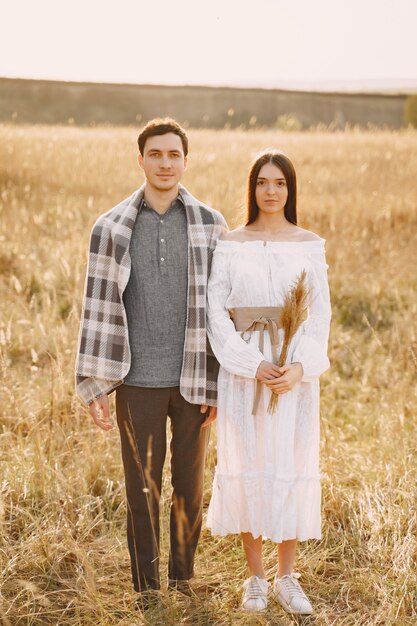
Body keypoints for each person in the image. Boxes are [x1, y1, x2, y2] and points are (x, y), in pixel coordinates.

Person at [75, 118, 228, 604]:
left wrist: (223, 384)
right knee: (143, 488)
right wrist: (94, 382)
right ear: (140, 160)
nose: (165, 163)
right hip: (136, 379)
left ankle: (182, 579)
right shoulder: (111, 227)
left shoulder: (211, 224)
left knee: (189, 485)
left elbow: (224, 310)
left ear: (186, 160)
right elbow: (95, 305)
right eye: (156, 154)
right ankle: (147, 588)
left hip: (193, 378)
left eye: (174, 155)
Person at [206, 150, 331, 615]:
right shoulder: (231, 242)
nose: (271, 190)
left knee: (291, 462)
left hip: (293, 376)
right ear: (252, 188)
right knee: (249, 461)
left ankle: (287, 576)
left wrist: (299, 369)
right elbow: (216, 312)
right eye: (262, 182)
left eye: (279, 182)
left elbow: (320, 315)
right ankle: (255, 578)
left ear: (290, 189)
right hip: (245, 374)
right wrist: (249, 364)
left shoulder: (308, 243)